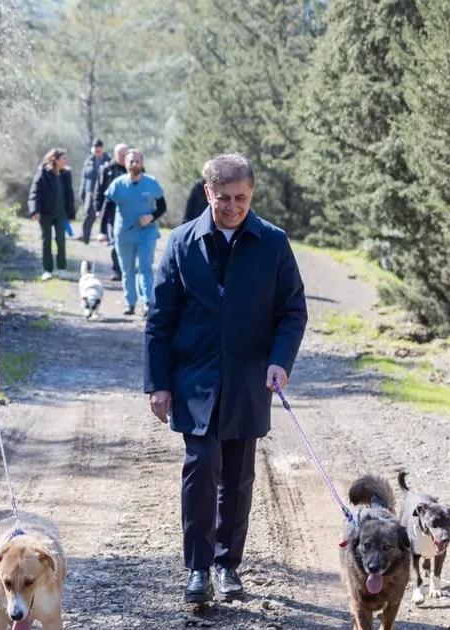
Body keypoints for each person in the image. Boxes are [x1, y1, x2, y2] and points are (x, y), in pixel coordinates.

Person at [144, 153, 307, 604]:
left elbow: (292, 311)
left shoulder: (272, 243)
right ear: (207, 192)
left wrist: (280, 360)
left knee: (237, 476)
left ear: (251, 194)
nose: (233, 206)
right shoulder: (180, 243)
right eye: (224, 198)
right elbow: (159, 319)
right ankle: (197, 569)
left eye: (241, 198)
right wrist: (158, 383)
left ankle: (226, 565)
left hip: (248, 378)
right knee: (201, 467)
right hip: (193, 379)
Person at [103, 148, 166, 316]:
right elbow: (107, 207)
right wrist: (103, 231)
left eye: (137, 161)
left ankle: (146, 303)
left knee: (145, 268)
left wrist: (151, 217)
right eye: (131, 161)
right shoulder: (117, 184)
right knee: (127, 269)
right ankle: (130, 303)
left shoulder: (151, 183)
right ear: (125, 163)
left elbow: (162, 206)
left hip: (147, 233)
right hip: (124, 233)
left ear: (142, 163)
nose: (134, 164)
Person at [28, 147, 76, 280]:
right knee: (46, 241)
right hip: (45, 213)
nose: (66, 161)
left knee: (61, 240)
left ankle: (62, 269)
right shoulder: (43, 172)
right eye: (63, 158)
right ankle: (47, 270)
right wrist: (35, 210)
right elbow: (34, 192)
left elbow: (69, 195)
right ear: (55, 159)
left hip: (61, 214)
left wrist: (71, 214)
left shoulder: (66, 174)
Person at [96, 143, 129, 281]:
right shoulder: (106, 169)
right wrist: (98, 208)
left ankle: (127, 269)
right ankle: (117, 270)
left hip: (129, 212)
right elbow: (99, 190)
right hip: (110, 212)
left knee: (127, 243)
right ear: (115, 154)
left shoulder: (135, 168)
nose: (123, 158)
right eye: (121, 155)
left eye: (125, 155)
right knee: (114, 242)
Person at [79, 138, 110, 243]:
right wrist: (82, 192)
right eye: (95, 147)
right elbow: (84, 177)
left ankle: (106, 236)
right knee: (88, 214)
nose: (97, 149)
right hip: (90, 191)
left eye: (99, 147)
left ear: (102, 148)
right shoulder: (89, 161)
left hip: (104, 192)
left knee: (106, 214)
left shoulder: (108, 161)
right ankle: (85, 237)